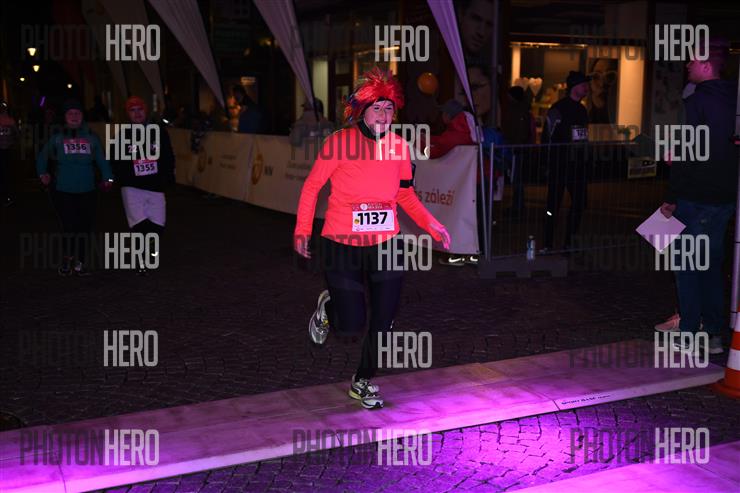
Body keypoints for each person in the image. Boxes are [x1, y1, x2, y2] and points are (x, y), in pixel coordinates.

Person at [294, 68, 451, 409]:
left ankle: (363, 381)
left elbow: (405, 195)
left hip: (386, 243)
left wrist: (432, 224)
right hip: (341, 244)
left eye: (389, 109)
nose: (383, 115)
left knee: (384, 319)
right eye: (376, 108)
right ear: (362, 111)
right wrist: (303, 229)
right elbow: (312, 187)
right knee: (350, 324)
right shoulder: (339, 143)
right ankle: (329, 307)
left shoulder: (399, 148)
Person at [658, 39, 737, 355]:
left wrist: (671, 195)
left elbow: (687, 153)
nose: (687, 65)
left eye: (691, 61)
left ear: (705, 66)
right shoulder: (735, 100)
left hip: (695, 197)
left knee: (688, 267)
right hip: (725, 197)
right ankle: (714, 333)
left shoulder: (696, 102)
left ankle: (690, 332)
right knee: (712, 266)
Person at [36, 99, 113, 276]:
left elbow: (102, 160)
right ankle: (67, 257)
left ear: (82, 116)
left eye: (77, 113)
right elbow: (42, 156)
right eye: (70, 113)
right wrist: (42, 173)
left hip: (88, 190)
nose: (74, 116)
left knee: (85, 227)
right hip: (64, 191)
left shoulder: (92, 138)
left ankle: (81, 262)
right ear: (64, 117)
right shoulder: (57, 138)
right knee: (69, 226)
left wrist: (108, 178)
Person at [112, 96, 176, 275]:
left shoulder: (159, 132)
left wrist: (168, 175)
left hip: (155, 186)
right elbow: (115, 160)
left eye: (140, 109)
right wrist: (122, 178)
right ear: (127, 114)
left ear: (146, 111)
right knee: (139, 224)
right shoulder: (122, 135)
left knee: (158, 225)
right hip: (132, 187)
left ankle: (147, 252)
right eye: (132, 110)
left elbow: (168, 156)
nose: (137, 113)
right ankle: (142, 261)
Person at [541, 71, 591, 252]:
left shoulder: (582, 110)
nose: (587, 88)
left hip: (577, 166)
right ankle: (547, 243)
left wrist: (586, 159)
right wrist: (546, 163)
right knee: (553, 205)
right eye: (584, 84)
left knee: (579, 203)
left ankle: (569, 242)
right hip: (559, 164)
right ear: (574, 87)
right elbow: (547, 137)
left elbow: (583, 138)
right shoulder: (558, 109)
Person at [502, 86, 535, 217]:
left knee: (517, 179)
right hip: (516, 147)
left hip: (517, 148)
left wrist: (516, 145)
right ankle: (517, 205)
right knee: (516, 178)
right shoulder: (519, 110)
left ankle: (518, 206)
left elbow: (520, 131)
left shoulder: (518, 111)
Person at [0, 101, 18, 206]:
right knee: (5, 172)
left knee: (6, 172)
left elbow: (16, 134)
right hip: (5, 149)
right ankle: (6, 195)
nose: (3, 109)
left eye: (4, 107)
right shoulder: (10, 120)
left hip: (7, 149)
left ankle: (7, 195)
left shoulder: (10, 120)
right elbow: (16, 134)